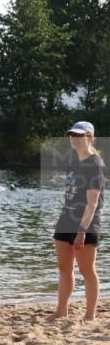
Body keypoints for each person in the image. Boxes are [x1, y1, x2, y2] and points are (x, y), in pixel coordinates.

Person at [49, 121, 105, 323]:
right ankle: (61, 311)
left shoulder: (95, 164)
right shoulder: (73, 162)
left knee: (87, 270)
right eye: (72, 135)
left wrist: (82, 231)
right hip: (66, 219)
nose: (74, 138)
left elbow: (92, 203)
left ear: (90, 137)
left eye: (79, 135)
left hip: (85, 223)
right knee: (64, 268)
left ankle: (90, 315)